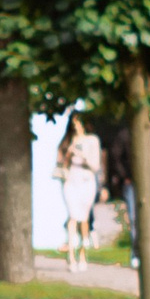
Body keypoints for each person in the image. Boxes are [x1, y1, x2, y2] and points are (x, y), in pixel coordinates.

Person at [57, 119, 103, 281]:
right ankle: (71, 256)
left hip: (86, 179)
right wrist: (69, 154)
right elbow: (60, 162)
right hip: (71, 179)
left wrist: (82, 155)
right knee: (73, 216)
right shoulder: (68, 141)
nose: (76, 127)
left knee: (83, 217)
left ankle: (82, 253)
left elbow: (95, 165)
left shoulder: (92, 140)